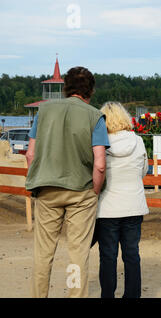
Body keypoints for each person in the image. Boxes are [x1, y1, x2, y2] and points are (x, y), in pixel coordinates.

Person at [25, 66, 109, 298]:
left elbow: (30, 154)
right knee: (77, 254)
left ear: (65, 88)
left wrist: (37, 180)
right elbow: (100, 163)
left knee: (43, 254)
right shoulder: (95, 116)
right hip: (81, 192)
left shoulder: (44, 111)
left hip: (47, 189)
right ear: (91, 90)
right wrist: (95, 190)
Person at [96, 102, 149, 298]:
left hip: (107, 209)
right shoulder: (138, 141)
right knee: (132, 255)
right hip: (134, 206)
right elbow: (143, 171)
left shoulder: (100, 144)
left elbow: (97, 172)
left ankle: (108, 295)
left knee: (108, 256)